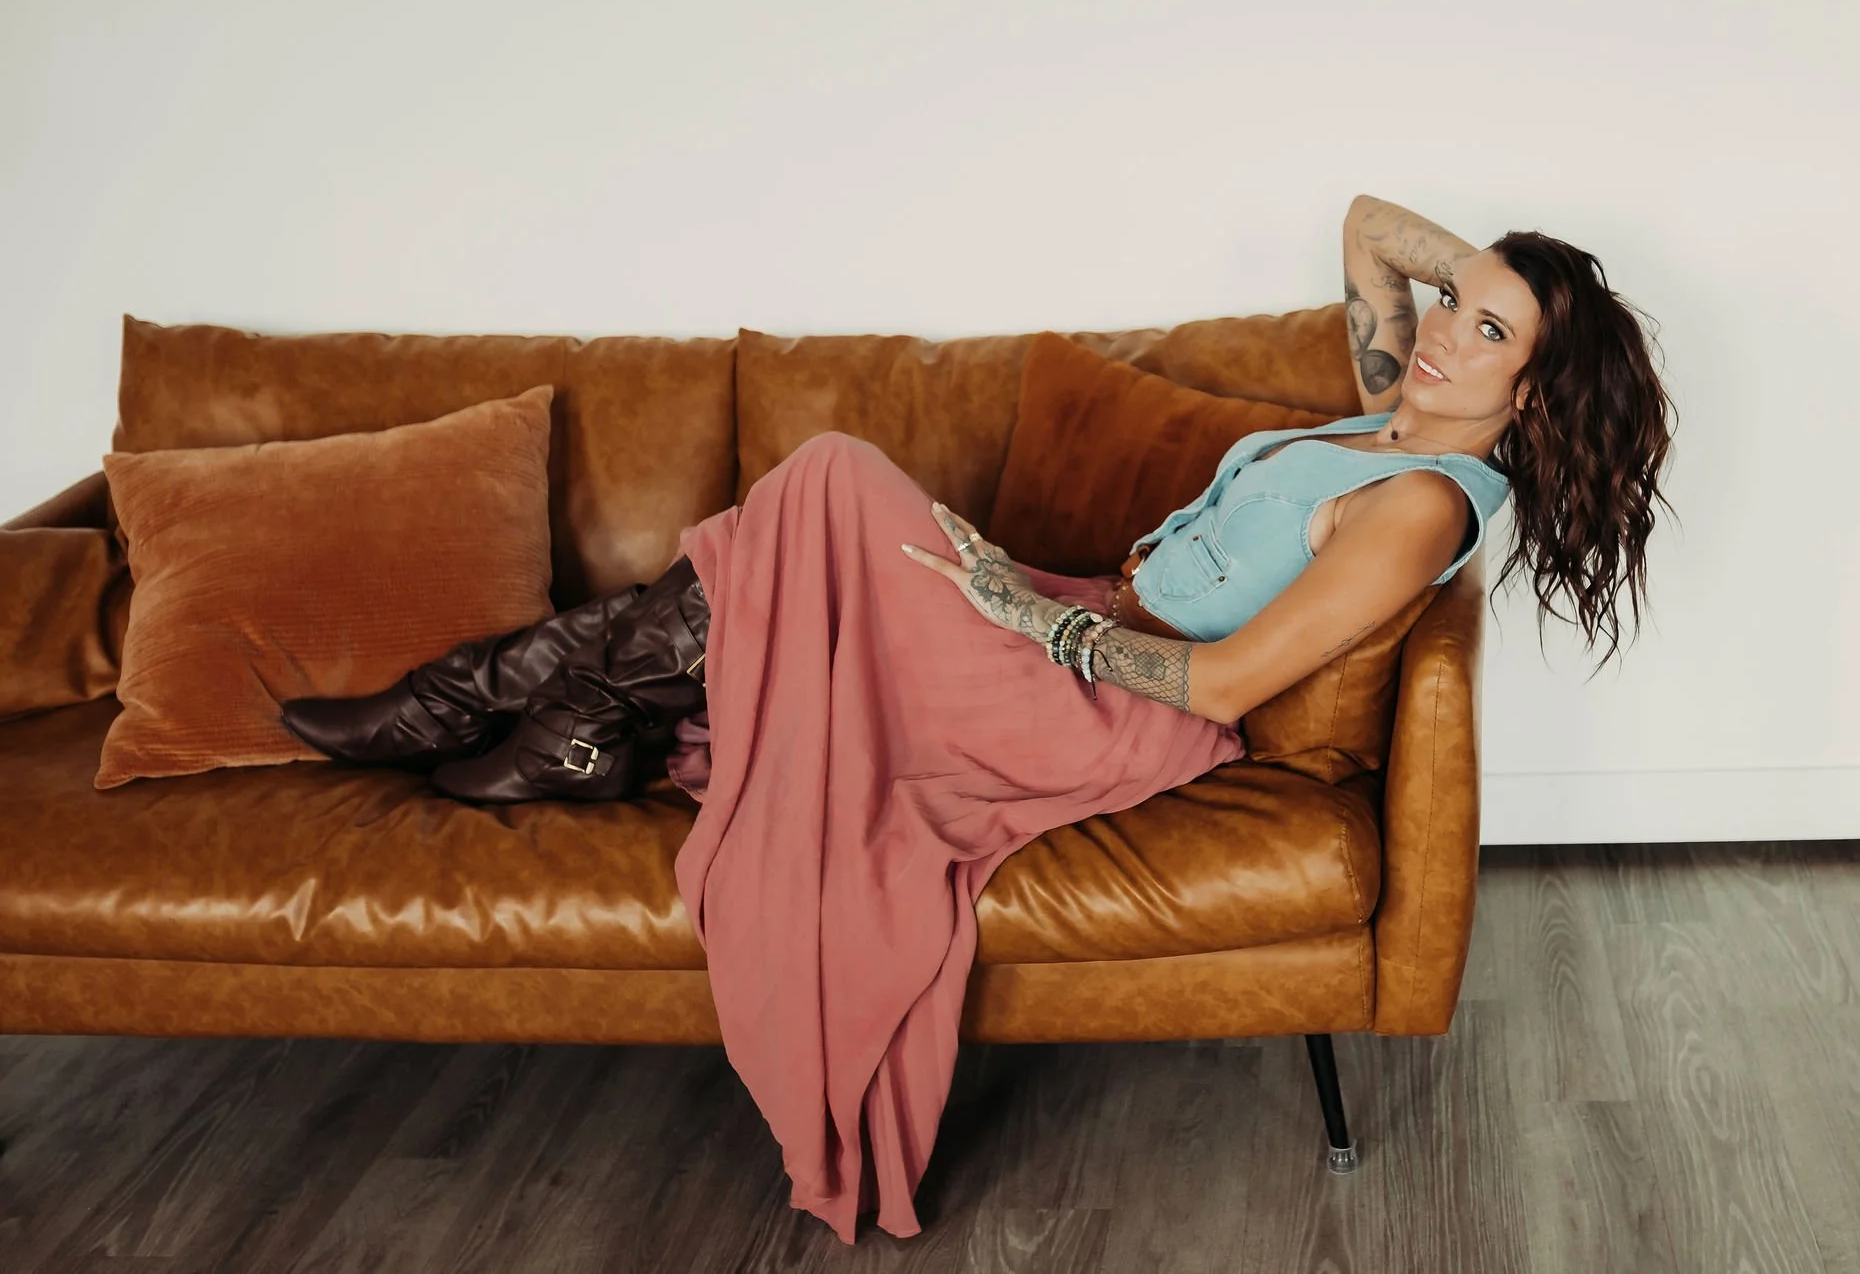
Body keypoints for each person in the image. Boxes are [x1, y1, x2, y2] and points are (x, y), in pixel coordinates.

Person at [278, 193, 1674, 1242]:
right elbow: (1375, 229)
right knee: (826, 506)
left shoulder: (1421, 498)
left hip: (1103, 701)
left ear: (1537, 387)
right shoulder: (1394, 415)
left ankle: (487, 701)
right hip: (1077, 623)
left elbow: (1225, 686)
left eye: (1488, 334)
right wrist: (1504, 284)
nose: (1438, 332)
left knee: (830, 475)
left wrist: (1030, 617)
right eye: (1450, 308)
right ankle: (548, 711)